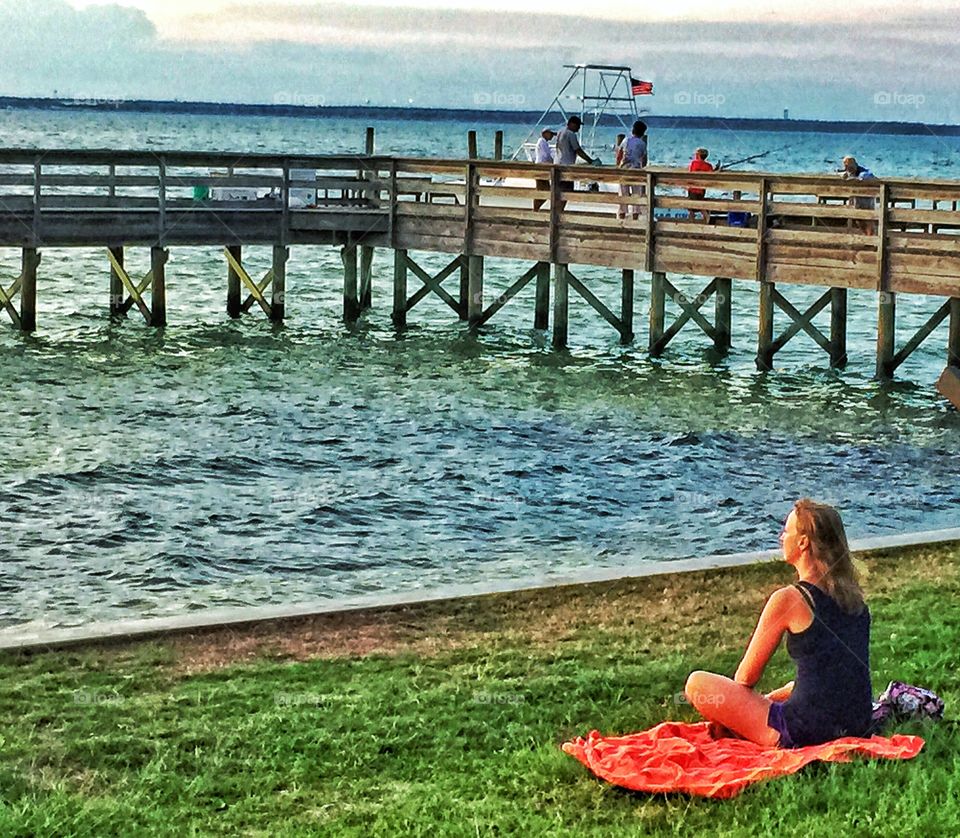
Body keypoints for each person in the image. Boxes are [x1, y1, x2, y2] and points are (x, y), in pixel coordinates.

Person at [684, 499, 872, 748]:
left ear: (803, 542)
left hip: (805, 732)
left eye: (786, 531)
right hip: (858, 724)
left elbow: (745, 678)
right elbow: (839, 674)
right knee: (790, 688)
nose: (782, 537)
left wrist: (743, 709)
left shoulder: (789, 599)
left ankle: (744, 729)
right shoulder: (855, 600)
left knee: (697, 683)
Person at [555, 115, 594, 211]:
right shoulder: (571, 134)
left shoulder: (560, 131)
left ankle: (556, 212)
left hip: (557, 164)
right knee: (566, 191)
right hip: (567, 166)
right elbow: (578, 150)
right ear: (572, 124)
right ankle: (559, 212)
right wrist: (590, 161)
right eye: (577, 125)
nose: (579, 128)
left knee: (558, 192)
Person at [616, 120, 648, 220]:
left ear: (633, 130)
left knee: (623, 194)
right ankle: (635, 217)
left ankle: (622, 216)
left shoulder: (626, 140)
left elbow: (619, 154)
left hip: (624, 169)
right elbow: (644, 159)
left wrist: (618, 165)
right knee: (636, 195)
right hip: (636, 171)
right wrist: (642, 166)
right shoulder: (642, 143)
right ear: (643, 132)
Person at [840, 155, 878, 235]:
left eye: (848, 165)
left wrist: (859, 178)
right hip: (857, 200)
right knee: (859, 221)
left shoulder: (863, 171)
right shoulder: (848, 173)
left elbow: (869, 175)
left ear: (854, 164)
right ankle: (867, 237)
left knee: (868, 219)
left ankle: (871, 238)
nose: (847, 167)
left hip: (867, 199)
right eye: (845, 165)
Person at [687, 147, 718, 222]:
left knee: (692, 207)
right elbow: (711, 174)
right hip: (701, 190)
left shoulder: (694, 163)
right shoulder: (708, 166)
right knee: (699, 205)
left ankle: (692, 221)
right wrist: (717, 170)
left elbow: (691, 171)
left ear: (698, 155)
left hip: (692, 189)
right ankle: (706, 219)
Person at [532, 128, 556, 211]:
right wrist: (553, 162)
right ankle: (535, 209)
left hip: (543, 169)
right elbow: (545, 156)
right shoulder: (542, 142)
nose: (552, 136)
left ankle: (536, 209)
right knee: (543, 190)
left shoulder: (544, 142)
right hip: (540, 169)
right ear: (545, 133)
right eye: (551, 134)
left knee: (544, 190)